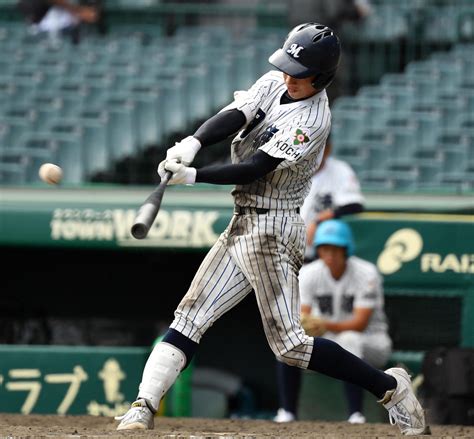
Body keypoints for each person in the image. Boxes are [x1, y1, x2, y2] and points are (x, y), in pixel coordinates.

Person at [114, 22, 429, 436]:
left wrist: (193, 176)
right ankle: (142, 406)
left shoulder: (314, 119)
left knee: (292, 347)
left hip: (274, 226)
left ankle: (392, 388)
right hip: (244, 219)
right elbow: (235, 115)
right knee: (189, 316)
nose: (288, 77)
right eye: (287, 67)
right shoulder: (276, 80)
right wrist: (192, 141)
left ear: (322, 77)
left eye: (299, 73)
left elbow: (255, 168)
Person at [274, 220, 392, 424]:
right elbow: (303, 316)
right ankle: (288, 411)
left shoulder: (366, 272)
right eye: (325, 248)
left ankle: (356, 413)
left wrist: (324, 324)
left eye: (335, 248)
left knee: (349, 339)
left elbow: (360, 323)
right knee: (290, 344)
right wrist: (307, 324)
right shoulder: (309, 273)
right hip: (328, 337)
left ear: (346, 249)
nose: (330, 254)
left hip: (371, 342)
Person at [300, 134, 365, 262]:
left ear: (328, 149)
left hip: (321, 255)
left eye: (318, 147)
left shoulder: (340, 170)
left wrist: (319, 220)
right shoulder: (290, 169)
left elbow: (354, 205)